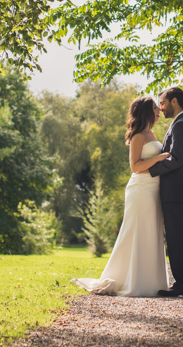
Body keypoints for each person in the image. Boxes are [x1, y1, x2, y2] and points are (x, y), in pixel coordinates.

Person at [71, 96, 172, 296]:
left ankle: (152, 282)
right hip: (140, 190)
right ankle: (132, 281)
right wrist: (160, 157)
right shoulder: (138, 136)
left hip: (154, 189)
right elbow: (135, 167)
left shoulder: (151, 133)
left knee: (152, 231)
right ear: (146, 111)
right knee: (136, 232)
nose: (159, 110)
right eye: (155, 108)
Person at [148, 87, 183, 297]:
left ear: (174, 101)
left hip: (175, 190)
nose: (161, 107)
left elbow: (176, 159)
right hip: (175, 190)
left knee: (176, 236)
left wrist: (150, 169)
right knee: (176, 235)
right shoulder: (180, 124)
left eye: (163, 102)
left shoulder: (182, 125)